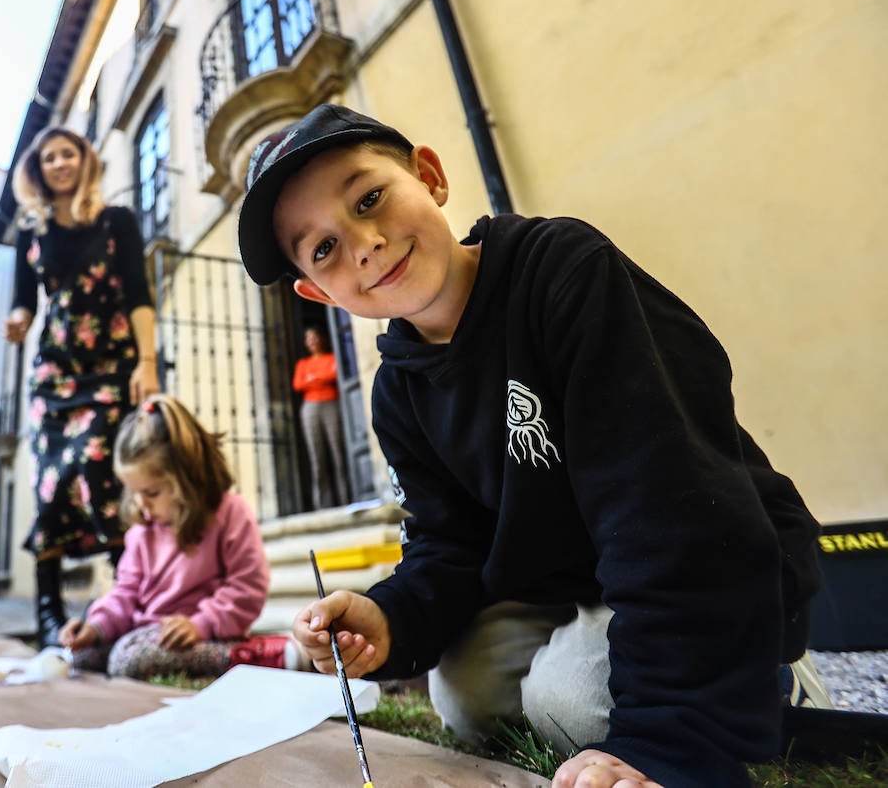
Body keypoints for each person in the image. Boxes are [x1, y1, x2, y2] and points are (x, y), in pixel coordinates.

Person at [236, 103, 823, 788]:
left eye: (369, 198)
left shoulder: (564, 272)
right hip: (573, 583)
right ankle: (672, 676)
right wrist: (390, 616)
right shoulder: (397, 393)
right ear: (317, 291)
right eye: (325, 248)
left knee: (565, 700)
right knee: (463, 693)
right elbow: (450, 545)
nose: (363, 242)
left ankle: (770, 673)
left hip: (717, 557)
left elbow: (668, 504)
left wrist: (663, 736)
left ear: (430, 175)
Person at [4, 125, 160, 647]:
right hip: (53, 371)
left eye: (68, 153)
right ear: (39, 170)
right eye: (49, 157)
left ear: (84, 160)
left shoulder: (116, 221)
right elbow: (25, 298)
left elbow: (139, 294)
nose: (60, 163)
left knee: (102, 473)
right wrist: (18, 320)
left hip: (111, 363)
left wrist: (148, 362)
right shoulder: (30, 230)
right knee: (48, 486)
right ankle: (50, 616)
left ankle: (129, 602)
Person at [58, 394, 303, 679]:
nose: (140, 505)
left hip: (204, 636)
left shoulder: (230, 513)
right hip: (145, 635)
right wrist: (95, 627)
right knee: (81, 658)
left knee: (128, 660)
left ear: (187, 479)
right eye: (133, 493)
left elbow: (247, 587)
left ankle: (258, 656)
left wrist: (201, 624)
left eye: (151, 493)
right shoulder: (141, 531)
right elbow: (126, 592)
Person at [292, 324, 351, 509]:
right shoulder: (303, 364)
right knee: (316, 457)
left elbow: (334, 375)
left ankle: (346, 499)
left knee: (338, 452)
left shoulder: (332, 358)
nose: (312, 341)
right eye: (308, 339)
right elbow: (298, 384)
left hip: (331, 404)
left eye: (315, 337)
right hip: (310, 408)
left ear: (322, 339)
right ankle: (323, 505)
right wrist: (320, 378)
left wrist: (313, 379)